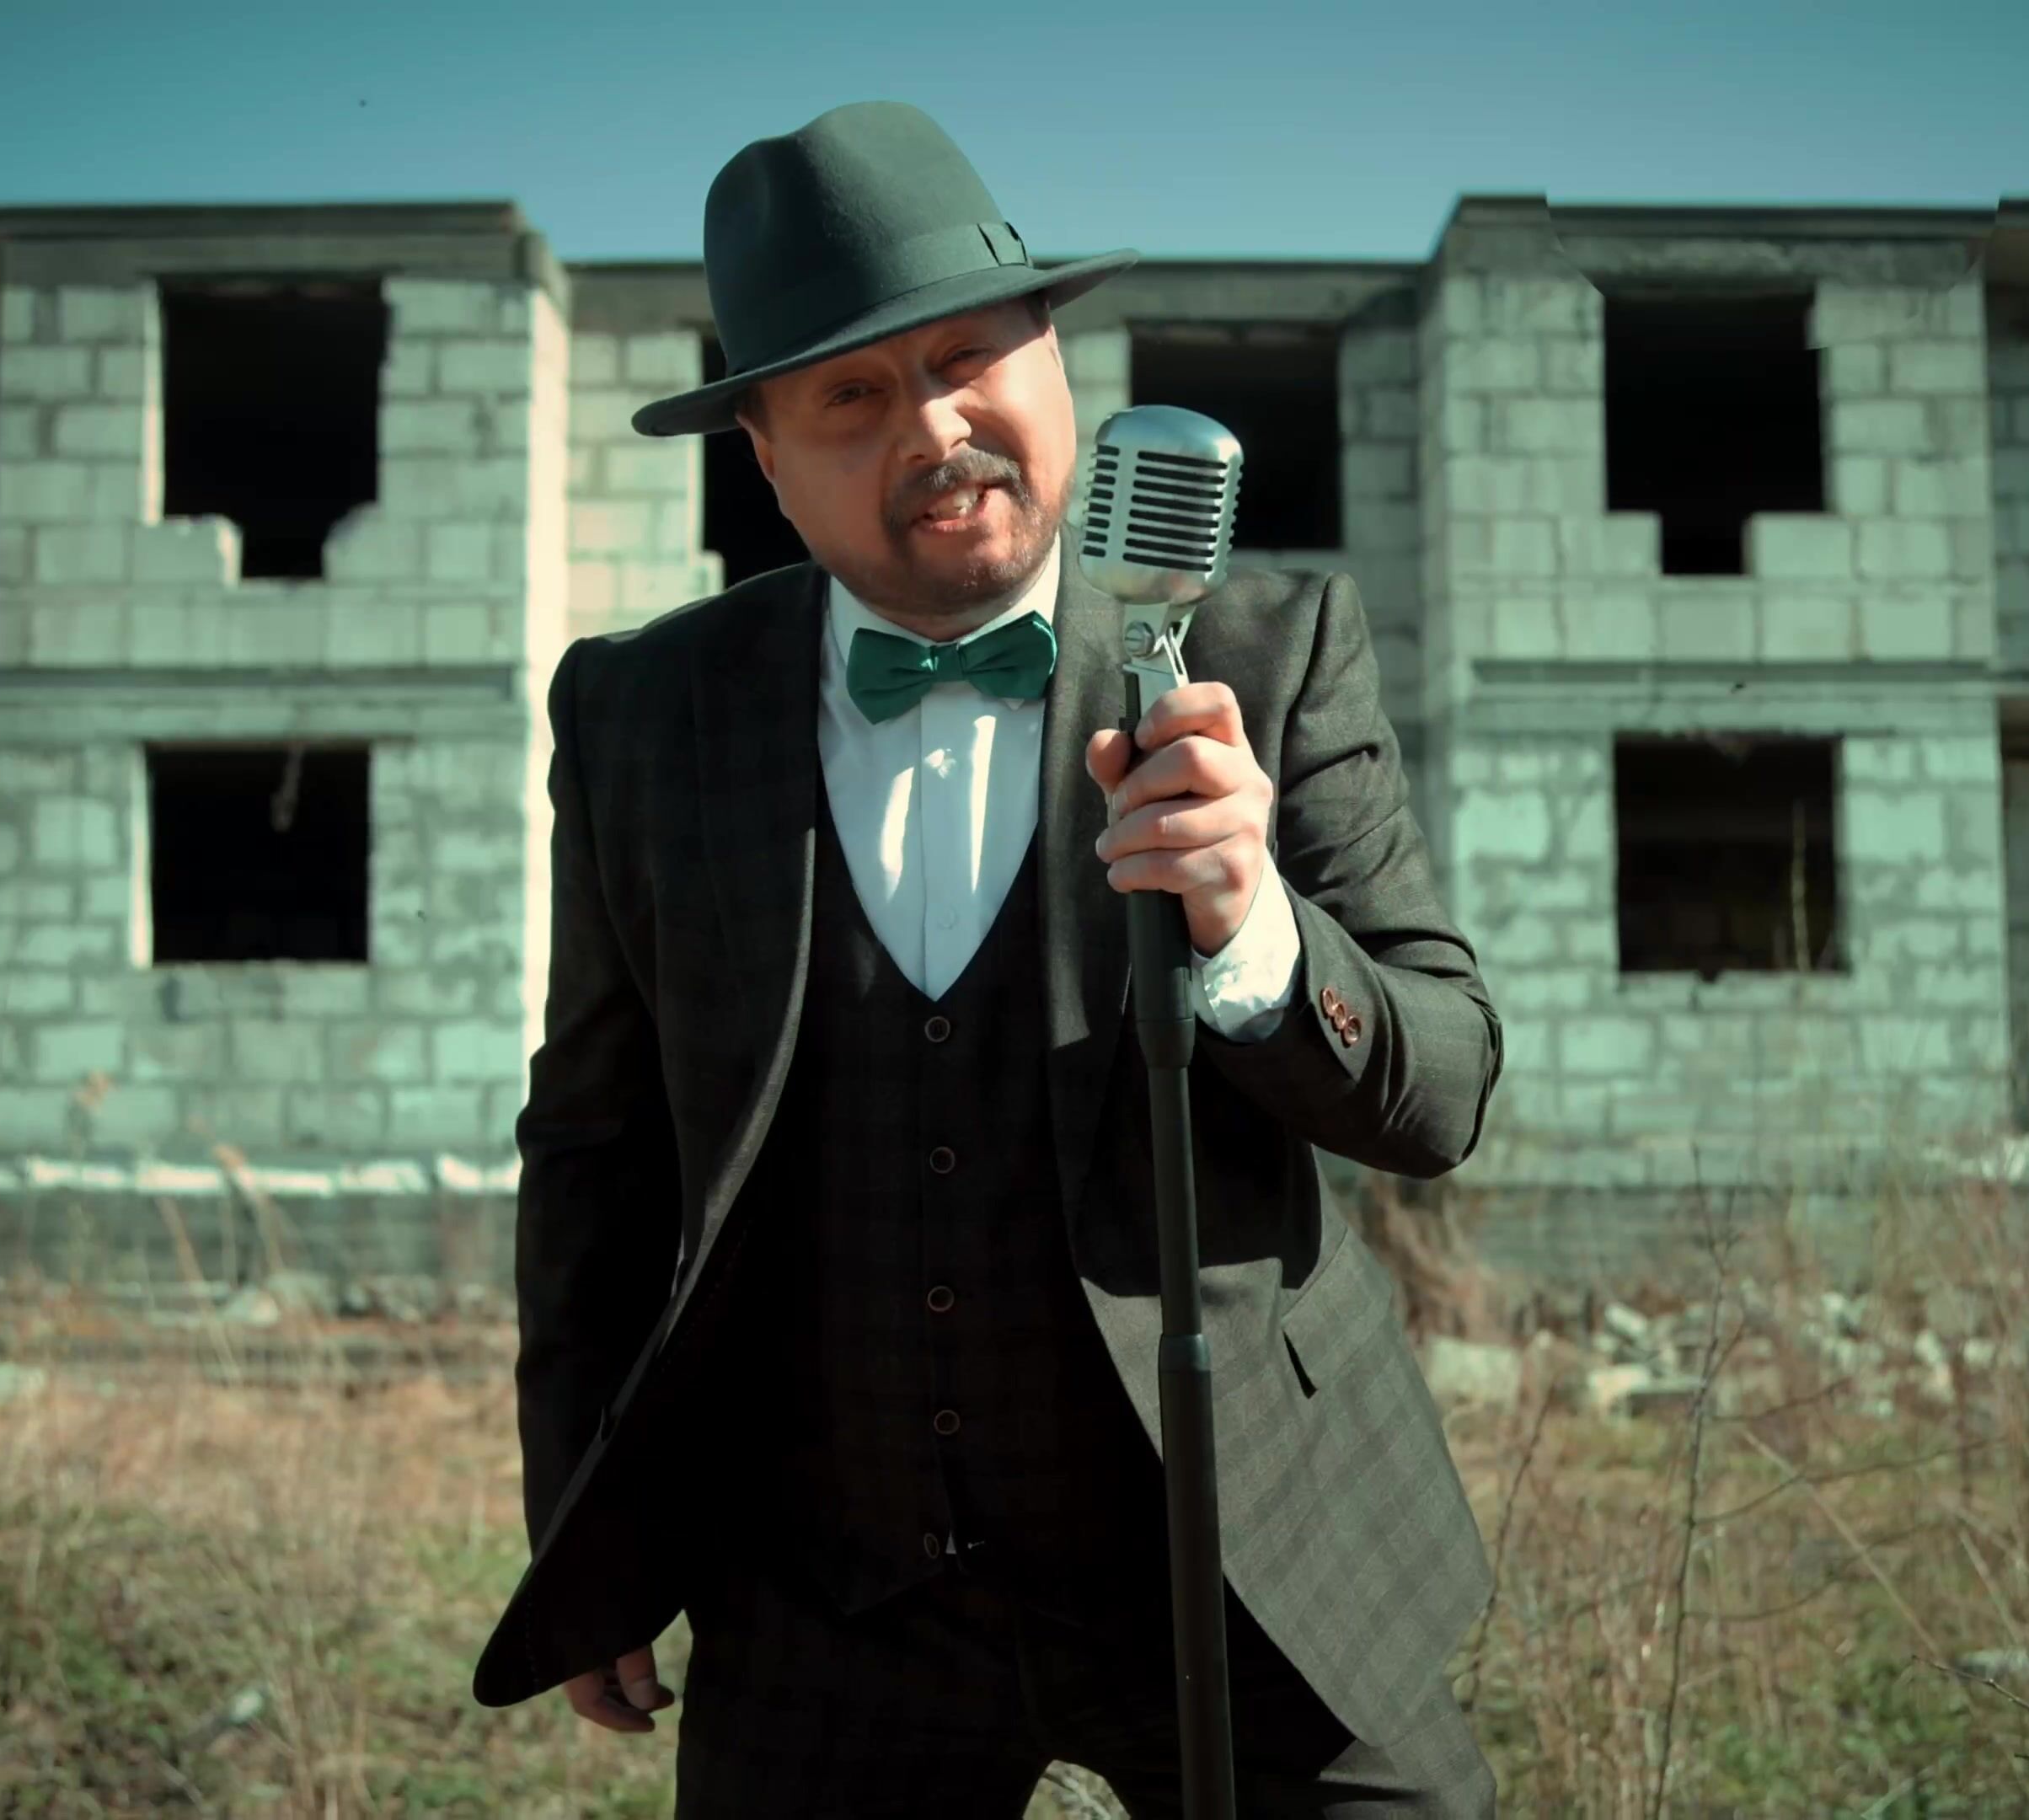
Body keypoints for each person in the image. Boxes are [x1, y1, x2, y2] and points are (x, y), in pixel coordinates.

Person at [468, 99, 1504, 1817]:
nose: (937, 428)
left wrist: (1253, 931)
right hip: (830, 1594)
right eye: (853, 397)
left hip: (1245, 1547)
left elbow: (1444, 1092)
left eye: (969, 360)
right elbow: (596, 1142)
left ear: (1056, 362)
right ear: (766, 457)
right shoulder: (644, 711)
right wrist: (586, 1523)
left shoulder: (1267, 652)